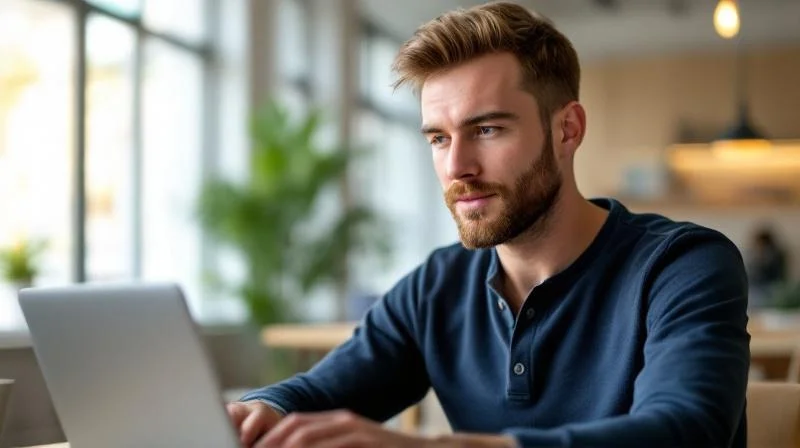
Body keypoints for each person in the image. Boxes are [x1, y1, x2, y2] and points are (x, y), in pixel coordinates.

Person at [226, 2, 750, 447]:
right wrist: (261, 411)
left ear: (567, 130)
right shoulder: (437, 286)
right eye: (438, 138)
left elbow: (685, 430)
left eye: (488, 128)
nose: (457, 166)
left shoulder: (683, 264)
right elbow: (316, 394)